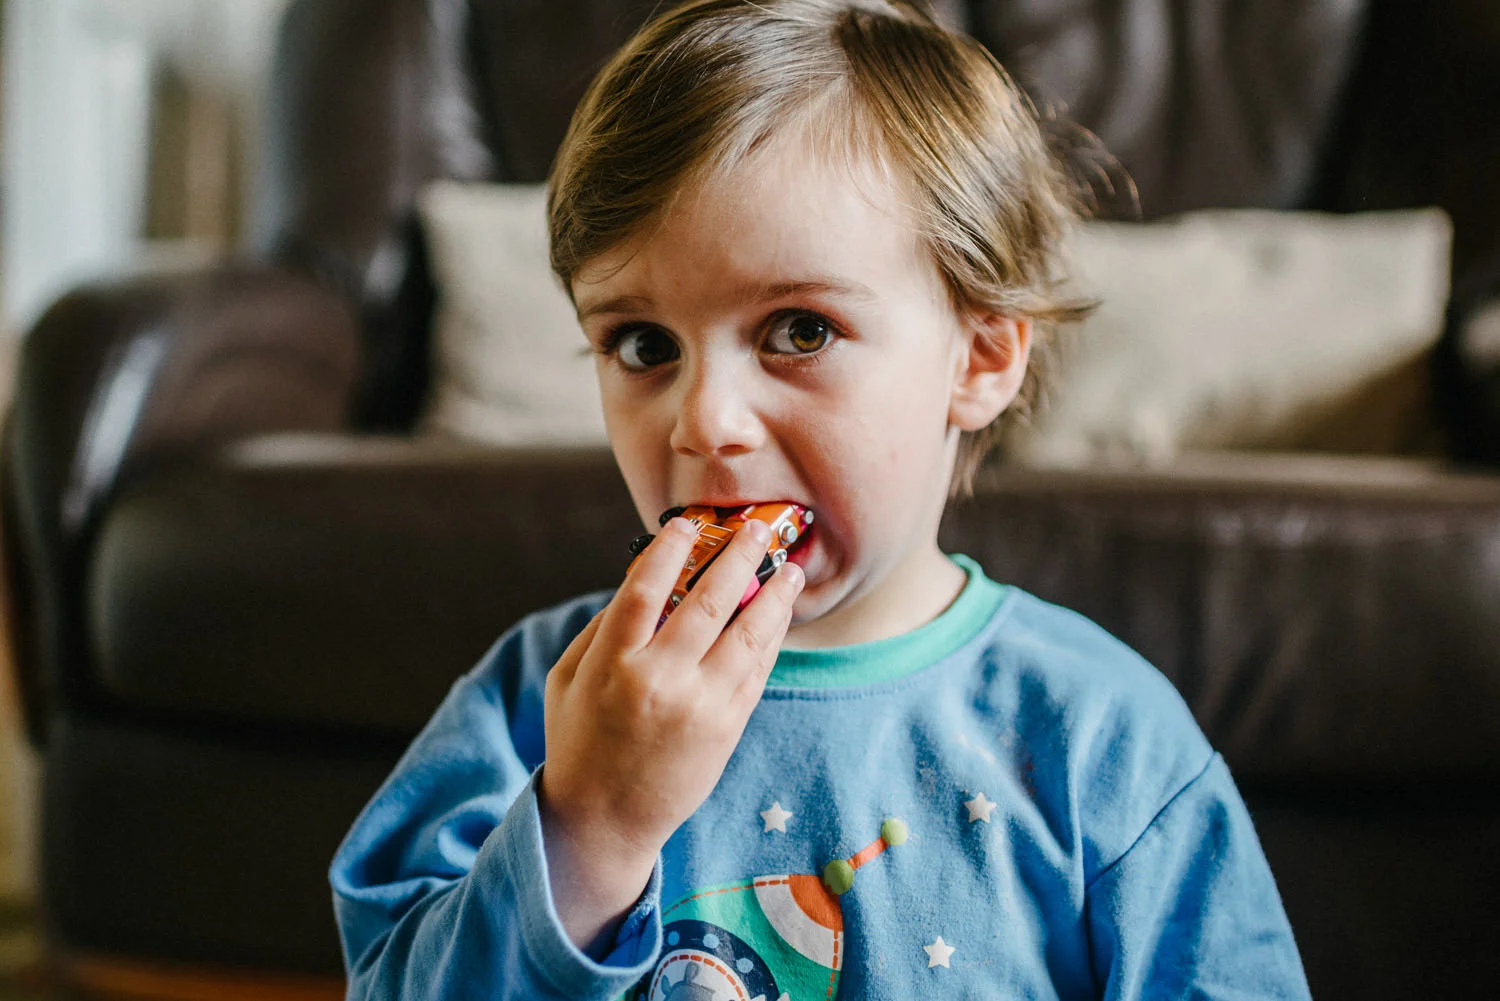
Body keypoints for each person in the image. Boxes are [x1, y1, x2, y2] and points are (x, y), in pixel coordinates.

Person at [330, 1, 1311, 997]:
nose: (703, 420)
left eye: (798, 330)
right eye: (643, 345)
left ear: (979, 355)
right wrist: (588, 826)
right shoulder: (535, 703)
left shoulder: (1103, 738)